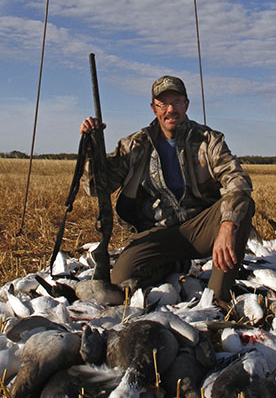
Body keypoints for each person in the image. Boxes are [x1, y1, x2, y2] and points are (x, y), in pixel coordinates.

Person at [80, 75, 255, 304]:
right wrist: (91, 148)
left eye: (177, 102)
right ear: (154, 108)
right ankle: (173, 264)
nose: (170, 109)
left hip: (198, 229)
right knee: (120, 280)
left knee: (240, 206)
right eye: (163, 103)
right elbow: (96, 187)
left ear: (187, 105)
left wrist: (227, 225)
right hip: (157, 233)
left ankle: (216, 302)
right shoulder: (135, 145)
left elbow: (238, 181)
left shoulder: (208, 140)